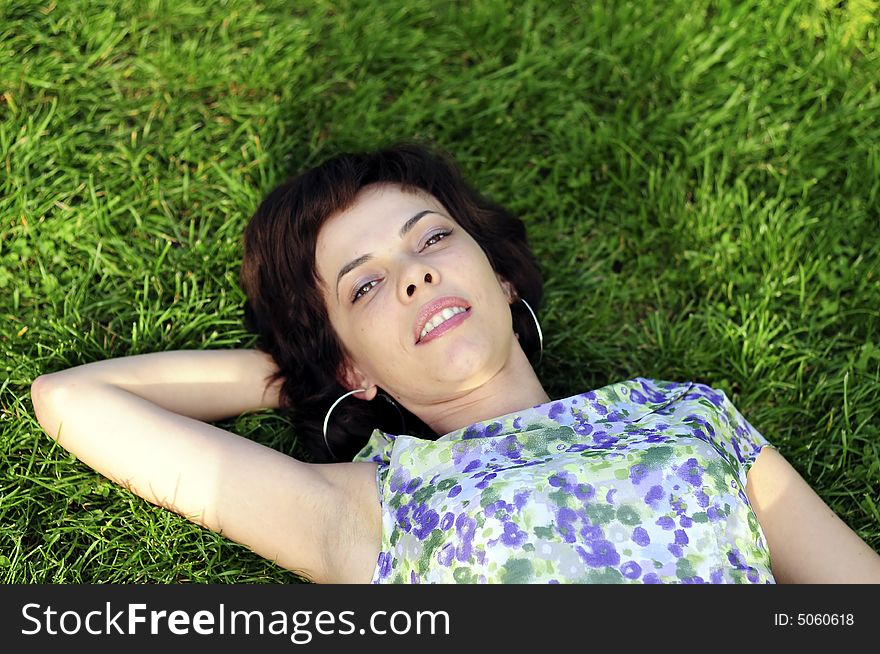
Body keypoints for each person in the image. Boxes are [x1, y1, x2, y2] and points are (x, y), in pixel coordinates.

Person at [30, 141, 880, 584]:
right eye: (365, 289)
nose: (416, 276)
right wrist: (304, 373)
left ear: (501, 276)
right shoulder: (377, 505)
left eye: (431, 238)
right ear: (352, 366)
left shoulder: (684, 414)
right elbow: (75, 399)